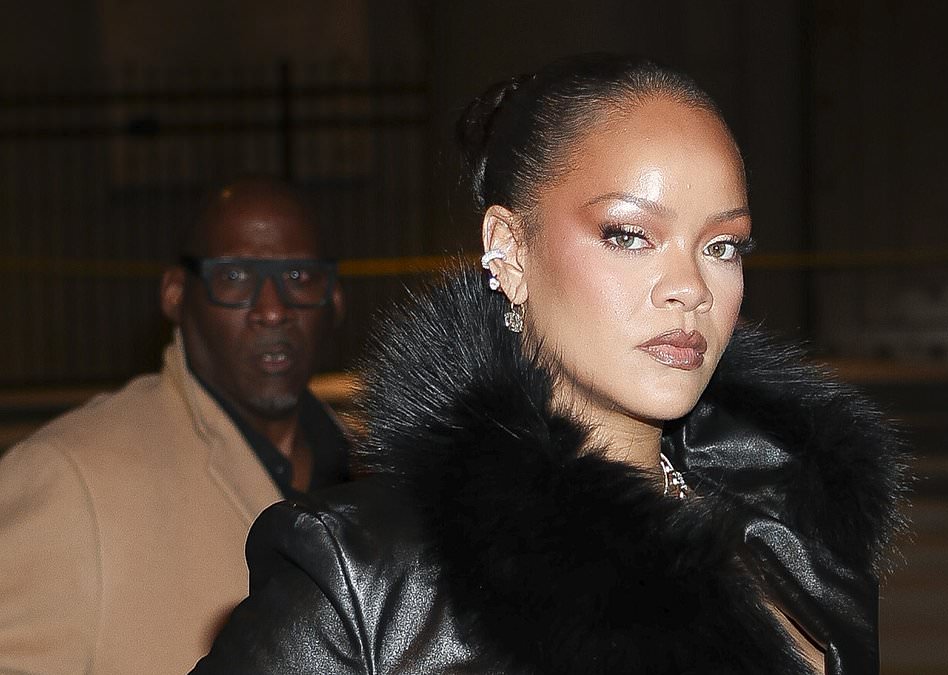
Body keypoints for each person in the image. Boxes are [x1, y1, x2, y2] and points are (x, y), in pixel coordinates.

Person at [193, 55, 908, 675]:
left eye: (722, 246)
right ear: (509, 249)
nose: (690, 287)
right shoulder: (358, 579)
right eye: (630, 235)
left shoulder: (799, 531)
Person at [0, 177, 350, 674]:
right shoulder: (70, 479)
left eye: (299, 275)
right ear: (175, 294)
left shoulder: (385, 478)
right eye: (234, 276)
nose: (273, 310)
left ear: (334, 298)